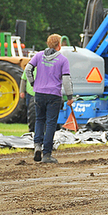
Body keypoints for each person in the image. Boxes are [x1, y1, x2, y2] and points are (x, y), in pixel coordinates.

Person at [24, 34, 74, 163]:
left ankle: (37, 146)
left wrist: (33, 83)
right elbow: (67, 80)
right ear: (59, 45)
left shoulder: (38, 56)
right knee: (51, 123)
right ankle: (47, 154)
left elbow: (28, 69)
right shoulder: (63, 60)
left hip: (39, 94)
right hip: (54, 95)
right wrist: (69, 97)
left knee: (39, 120)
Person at [19, 68, 36, 133]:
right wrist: (22, 91)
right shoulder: (29, 68)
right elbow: (23, 79)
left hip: (40, 93)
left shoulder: (43, 66)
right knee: (30, 111)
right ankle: (31, 127)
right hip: (30, 93)